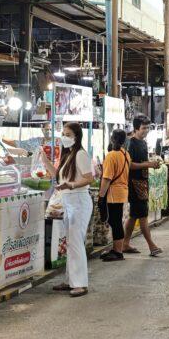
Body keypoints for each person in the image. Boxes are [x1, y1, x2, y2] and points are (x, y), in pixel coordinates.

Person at [51, 122, 95, 296]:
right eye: (63, 134)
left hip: (79, 202)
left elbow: (89, 178)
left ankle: (80, 284)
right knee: (71, 243)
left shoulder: (81, 154)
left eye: (68, 134)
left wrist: (71, 185)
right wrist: (43, 160)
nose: (64, 137)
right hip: (69, 202)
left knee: (76, 243)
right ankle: (71, 280)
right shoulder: (68, 155)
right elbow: (56, 175)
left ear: (76, 137)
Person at [123, 115, 164, 257]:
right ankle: (152, 246)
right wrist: (148, 164)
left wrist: (151, 163)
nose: (146, 130)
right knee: (143, 216)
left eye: (148, 128)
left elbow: (142, 162)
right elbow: (129, 165)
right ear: (135, 129)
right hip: (134, 184)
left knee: (134, 215)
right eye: (143, 128)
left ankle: (125, 244)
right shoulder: (131, 143)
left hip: (143, 182)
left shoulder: (143, 143)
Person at [98, 129, 132, 262]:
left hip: (112, 193)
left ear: (112, 139)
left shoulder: (111, 155)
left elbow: (106, 178)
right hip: (122, 191)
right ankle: (116, 249)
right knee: (115, 221)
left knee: (115, 222)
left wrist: (101, 196)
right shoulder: (125, 154)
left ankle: (118, 251)